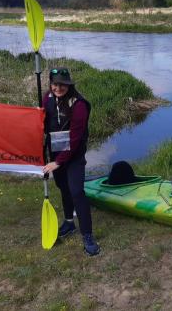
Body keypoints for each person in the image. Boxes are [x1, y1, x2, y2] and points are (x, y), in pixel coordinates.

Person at [42, 67, 100, 256]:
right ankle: (69, 223)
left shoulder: (79, 105)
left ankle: (88, 235)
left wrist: (57, 163)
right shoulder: (47, 98)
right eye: (55, 84)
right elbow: (44, 125)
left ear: (69, 85)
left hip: (73, 156)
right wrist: (37, 116)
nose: (58, 88)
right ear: (50, 84)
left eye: (62, 84)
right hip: (56, 153)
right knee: (63, 188)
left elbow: (75, 139)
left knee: (76, 191)